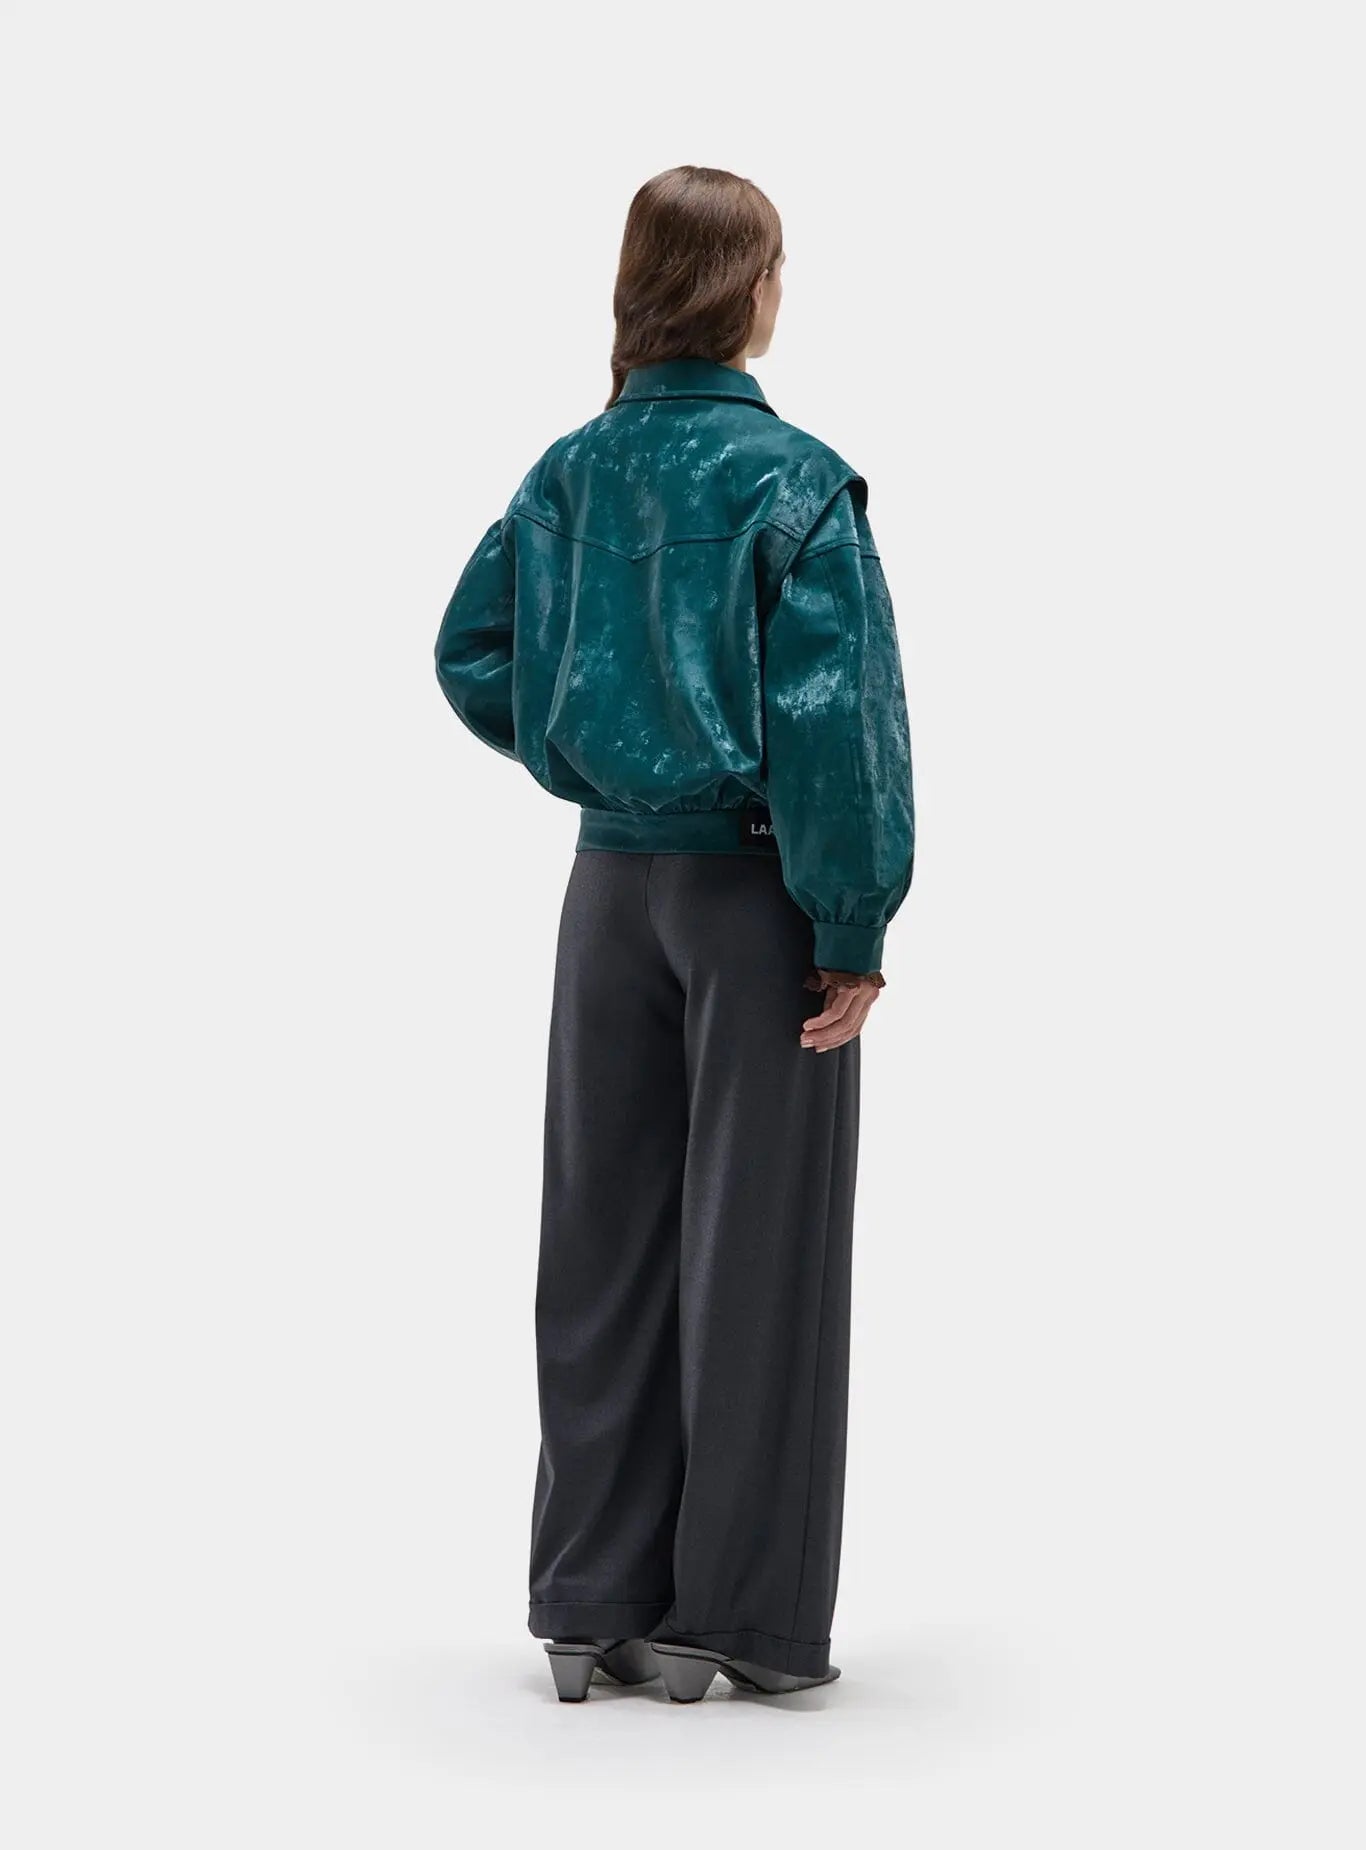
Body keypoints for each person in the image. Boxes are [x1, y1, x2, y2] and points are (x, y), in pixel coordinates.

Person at [434, 165, 914, 1703]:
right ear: (752, 289)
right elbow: (836, 724)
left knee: (602, 1242)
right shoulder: (795, 482)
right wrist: (851, 920)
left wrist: (593, 744)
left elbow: (470, 651)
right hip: (753, 899)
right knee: (757, 1254)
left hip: (605, 900)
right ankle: (735, 1616)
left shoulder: (569, 472)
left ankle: (587, 1604)